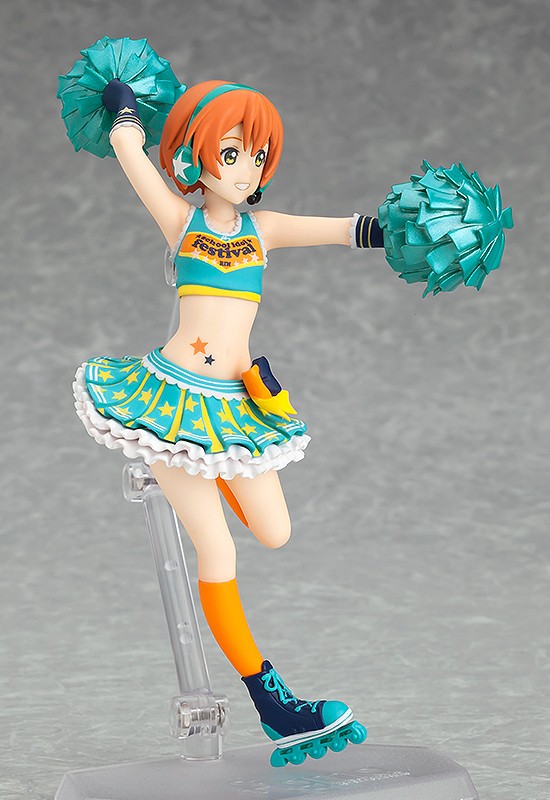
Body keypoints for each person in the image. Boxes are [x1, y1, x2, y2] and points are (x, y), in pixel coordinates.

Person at [71, 74, 375, 765]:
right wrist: (124, 111)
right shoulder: (183, 224)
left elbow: (344, 230)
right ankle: (272, 702)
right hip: (170, 407)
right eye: (231, 153)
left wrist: (406, 232)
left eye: (257, 156)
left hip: (237, 408)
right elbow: (131, 156)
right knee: (220, 552)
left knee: (275, 531)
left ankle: (200, 482)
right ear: (195, 157)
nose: (246, 170)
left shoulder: (264, 230)